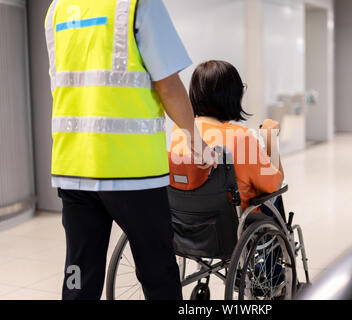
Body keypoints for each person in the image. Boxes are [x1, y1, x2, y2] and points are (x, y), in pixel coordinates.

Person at [44, 0, 214, 300]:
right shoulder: (137, 4)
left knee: (79, 272)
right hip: (131, 170)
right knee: (157, 269)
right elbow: (168, 86)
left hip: (73, 166)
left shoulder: (57, 8)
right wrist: (193, 137)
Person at [170, 60, 284, 212]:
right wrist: (271, 140)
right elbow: (274, 184)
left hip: (190, 221)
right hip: (233, 225)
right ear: (233, 95)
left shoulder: (182, 130)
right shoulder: (240, 137)